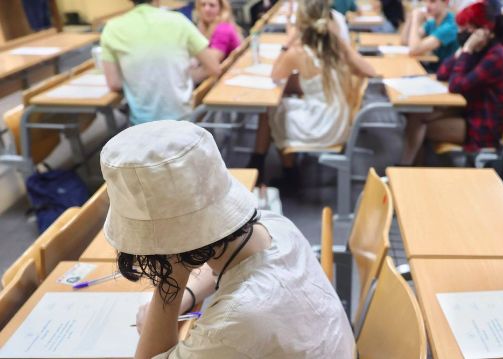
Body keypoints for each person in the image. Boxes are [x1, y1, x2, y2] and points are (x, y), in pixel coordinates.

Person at [100, 120, 355, 358]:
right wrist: (186, 292)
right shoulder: (274, 226)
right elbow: (221, 268)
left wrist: (171, 282)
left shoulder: (234, 322)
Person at [247, 0, 376, 186]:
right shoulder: (335, 47)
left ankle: (282, 171)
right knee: (282, 105)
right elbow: (370, 71)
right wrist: (343, 45)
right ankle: (280, 169)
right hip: (338, 118)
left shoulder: (298, 52)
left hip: (322, 125)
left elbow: (275, 75)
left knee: (274, 110)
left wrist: (287, 42)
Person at [399, 0, 503, 164]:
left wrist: (466, 49)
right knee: (417, 116)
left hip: (482, 126)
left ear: (484, 31)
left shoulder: (497, 56)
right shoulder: (479, 49)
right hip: (468, 110)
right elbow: (442, 74)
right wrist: (462, 51)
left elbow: (456, 85)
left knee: (419, 128)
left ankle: (407, 170)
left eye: (468, 29)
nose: (463, 34)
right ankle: (407, 170)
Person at [101, 0, 221, 125]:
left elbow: (114, 83)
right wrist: (178, 73)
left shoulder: (112, 28)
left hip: (142, 125)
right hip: (183, 119)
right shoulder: (178, 21)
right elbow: (214, 68)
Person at [400, 0, 459, 70]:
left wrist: (416, 20)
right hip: (432, 68)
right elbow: (404, 41)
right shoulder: (432, 22)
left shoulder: (450, 26)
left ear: (445, 2)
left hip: (444, 74)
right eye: (426, 1)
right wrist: (410, 19)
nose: (427, 6)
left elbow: (414, 49)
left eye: (432, 1)